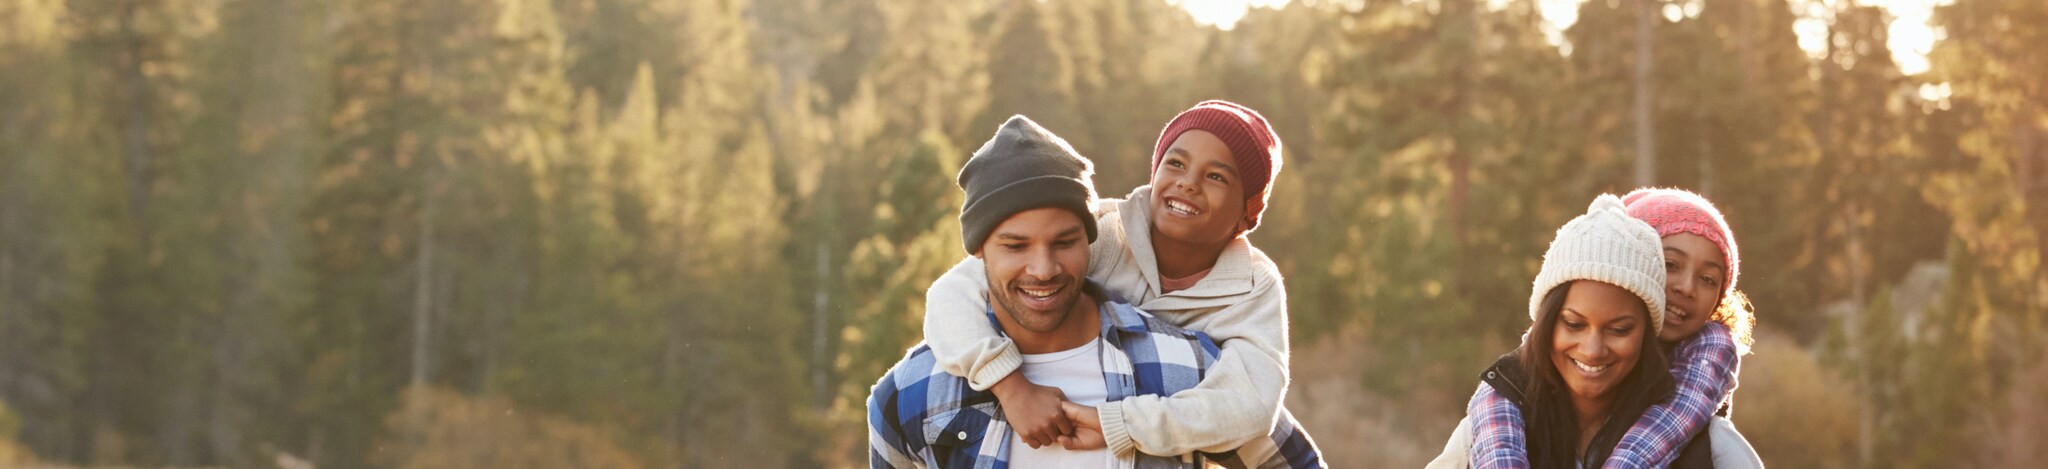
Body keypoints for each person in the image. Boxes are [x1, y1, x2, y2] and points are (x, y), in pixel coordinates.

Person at [868, 115, 1322, 468]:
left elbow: (1257, 416)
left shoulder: (1196, 368)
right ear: (980, 252)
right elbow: (950, 292)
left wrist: (1119, 424)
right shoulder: (916, 391)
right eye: (1015, 245)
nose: (1042, 269)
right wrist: (1010, 386)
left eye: (1064, 242)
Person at [1428, 195, 1678, 468]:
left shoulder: (1702, 444)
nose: (1592, 349)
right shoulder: (1479, 436)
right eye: (1574, 324)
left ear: (1647, 334)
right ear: (1545, 322)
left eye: (1619, 329)